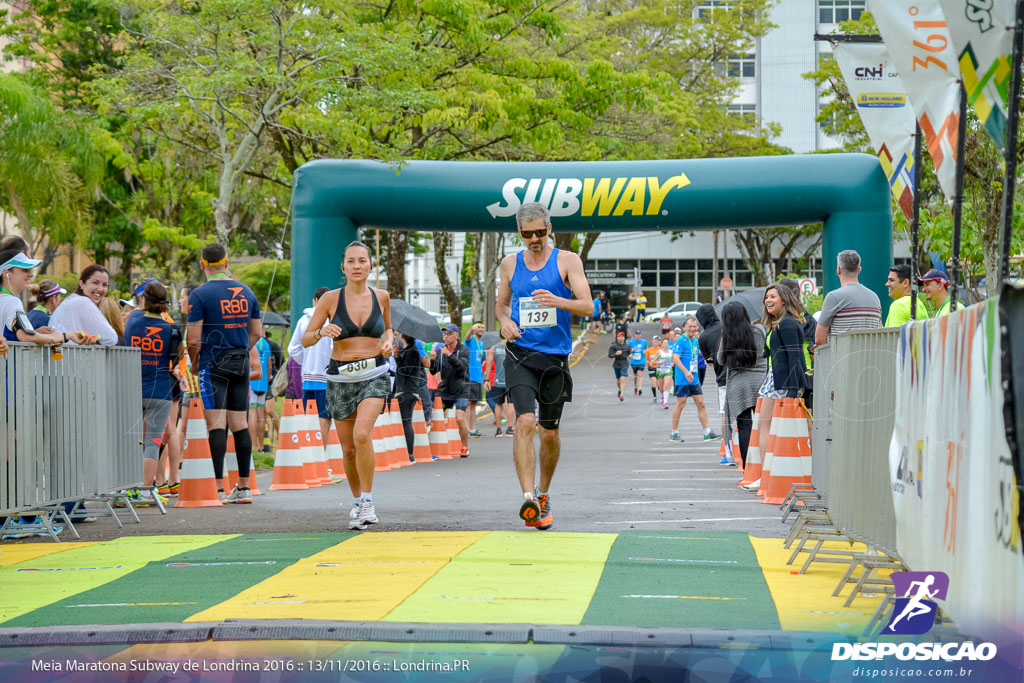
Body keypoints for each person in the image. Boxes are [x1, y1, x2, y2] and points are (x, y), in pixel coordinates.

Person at [496, 201, 593, 531]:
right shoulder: (510, 264)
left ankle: (544, 494)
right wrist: (505, 322)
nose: (535, 239)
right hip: (519, 353)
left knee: (549, 434)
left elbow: (588, 306)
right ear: (519, 233)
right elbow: (501, 305)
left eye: (541, 232)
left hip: (554, 359)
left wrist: (558, 300)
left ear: (548, 229)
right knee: (525, 421)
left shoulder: (567, 261)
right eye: (529, 234)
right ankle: (527, 497)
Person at [301, 240, 394, 530]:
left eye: (362, 261)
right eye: (351, 261)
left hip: (374, 374)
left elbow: (388, 328)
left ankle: (367, 501)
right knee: (348, 448)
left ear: (370, 265)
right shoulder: (330, 299)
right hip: (340, 377)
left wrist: (389, 341)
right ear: (343, 267)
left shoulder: (382, 296)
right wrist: (321, 332)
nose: (357, 266)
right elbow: (306, 338)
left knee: (362, 435)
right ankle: (357, 502)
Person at [186, 243, 263, 504]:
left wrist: (195, 364)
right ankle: (244, 488)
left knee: (216, 424)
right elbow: (256, 333)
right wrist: (241, 350)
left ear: (202, 264)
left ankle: (218, 488)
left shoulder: (199, 294)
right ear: (227, 262)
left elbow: (193, 339)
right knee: (240, 424)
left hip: (213, 364)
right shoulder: (247, 292)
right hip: (240, 362)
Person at [124, 282, 183, 503]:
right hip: (160, 390)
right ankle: (147, 490)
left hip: (132, 388)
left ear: (144, 300)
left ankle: (128, 488)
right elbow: (177, 357)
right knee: (153, 441)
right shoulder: (172, 329)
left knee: (131, 440)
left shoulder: (134, 320)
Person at [717, 301, 768, 468]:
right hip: (761, 382)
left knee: (744, 426)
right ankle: (765, 466)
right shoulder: (759, 330)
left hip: (738, 386)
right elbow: (766, 353)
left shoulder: (727, 336)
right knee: (764, 425)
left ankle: (748, 469)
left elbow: (720, 360)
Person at [0, 250, 72, 347]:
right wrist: (55, 337)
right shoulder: (12, 301)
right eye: (24, 270)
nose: (31, 274)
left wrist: (35, 332)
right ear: (6, 273)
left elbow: (12, 335)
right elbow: (25, 336)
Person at [288, 287, 333, 440]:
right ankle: (322, 455)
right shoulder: (332, 321)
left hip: (307, 376)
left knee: (308, 418)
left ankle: (310, 457)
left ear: (314, 300)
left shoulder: (303, 320)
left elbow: (293, 349)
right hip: (327, 377)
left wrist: (306, 361)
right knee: (324, 419)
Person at [814, 250, 882, 347]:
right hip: (869, 360)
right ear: (859, 270)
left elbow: (819, 339)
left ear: (838, 269)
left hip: (841, 360)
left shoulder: (834, 297)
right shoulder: (875, 298)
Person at [669, 316, 720, 442]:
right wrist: (686, 372)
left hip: (694, 378)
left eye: (694, 326)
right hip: (683, 378)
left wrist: (709, 359)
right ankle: (674, 432)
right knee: (681, 404)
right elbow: (675, 358)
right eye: (690, 326)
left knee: (701, 403)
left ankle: (707, 432)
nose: (692, 329)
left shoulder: (695, 341)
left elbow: (697, 355)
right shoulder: (681, 340)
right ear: (684, 328)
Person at [49, 265, 119, 346]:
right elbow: (111, 338)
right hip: (71, 356)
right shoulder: (83, 302)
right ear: (81, 284)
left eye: (105, 285)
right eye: (95, 283)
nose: (100, 289)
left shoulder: (70, 300)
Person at [696, 304, 730, 461]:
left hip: (722, 377)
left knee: (725, 415)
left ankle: (728, 452)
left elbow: (708, 359)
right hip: (739, 373)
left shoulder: (703, 337)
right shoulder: (727, 326)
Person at [432, 323, 470, 455]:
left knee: (459, 418)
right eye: (444, 334)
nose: (446, 336)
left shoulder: (463, 350)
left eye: (449, 334)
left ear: (456, 335)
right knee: (436, 416)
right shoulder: (440, 351)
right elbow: (433, 371)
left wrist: (449, 355)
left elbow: (461, 367)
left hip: (461, 389)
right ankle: (437, 447)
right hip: (444, 389)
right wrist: (432, 361)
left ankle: (464, 446)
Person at [394, 333, 433, 461]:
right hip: (408, 389)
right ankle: (408, 452)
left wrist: (397, 357)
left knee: (406, 421)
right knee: (406, 421)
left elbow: (407, 371)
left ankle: (409, 453)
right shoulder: (409, 350)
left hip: (407, 390)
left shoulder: (412, 350)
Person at [483, 338, 514, 437]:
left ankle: (499, 430)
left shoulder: (494, 348)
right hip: (510, 380)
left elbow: (489, 364)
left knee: (498, 405)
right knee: (510, 404)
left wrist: (486, 380)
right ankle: (509, 429)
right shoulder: (513, 347)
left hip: (497, 381)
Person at [249, 331, 272, 455]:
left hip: (252, 381)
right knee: (261, 414)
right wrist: (267, 381)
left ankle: (253, 445)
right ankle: (261, 446)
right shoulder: (266, 344)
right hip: (262, 382)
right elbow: (269, 365)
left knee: (252, 413)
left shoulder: (251, 342)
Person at [465, 322, 485, 438]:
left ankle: (472, 428)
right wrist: (471, 330)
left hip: (477, 378)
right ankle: (466, 428)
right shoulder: (471, 340)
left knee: (473, 404)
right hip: (470, 376)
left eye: (482, 327)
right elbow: (466, 337)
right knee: (468, 404)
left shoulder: (481, 343)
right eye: (479, 327)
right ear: (474, 328)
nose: (481, 329)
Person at [608, 330, 630, 402]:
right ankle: (620, 389)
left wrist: (630, 355)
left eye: (622, 336)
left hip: (624, 363)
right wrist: (615, 354)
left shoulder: (627, 345)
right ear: (617, 338)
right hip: (617, 363)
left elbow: (629, 353)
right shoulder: (614, 346)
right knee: (618, 380)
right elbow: (610, 355)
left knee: (623, 379)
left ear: (624, 338)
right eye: (619, 336)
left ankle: (622, 395)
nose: (621, 338)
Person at [627, 328, 648, 396]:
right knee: (635, 376)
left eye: (639, 334)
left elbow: (647, 350)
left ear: (641, 335)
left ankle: (640, 388)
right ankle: (635, 386)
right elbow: (627, 351)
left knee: (640, 374)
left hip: (641, 361)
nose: (638, 336)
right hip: (633, 361)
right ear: (635, 335)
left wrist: (646, 352)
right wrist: (630, 353)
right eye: (636, 334)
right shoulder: (631, 342)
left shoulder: (644, 342)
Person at [655, 337, 674, 408]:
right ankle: (663, 395)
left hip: (668, 370)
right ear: (662, 344)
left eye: (667, 343)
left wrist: (672, 364)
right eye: (664, 343)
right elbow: (654, 361)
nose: (666, 344)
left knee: (666, 385)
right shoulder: (659, 352)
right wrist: (660, 362)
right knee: (661, 388)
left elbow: (673, 360)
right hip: (660, 371)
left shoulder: (671, 352)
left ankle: (665, 402)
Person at [645, 335, 661, 402]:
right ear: (652, 341)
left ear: (659, 342)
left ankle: (662, 395)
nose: (656, 342)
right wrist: (649, 363)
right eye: (655, 340)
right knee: (653, 382)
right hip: (652, 368)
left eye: (657, 341)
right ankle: (654, 396)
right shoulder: (649, 350)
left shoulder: (661, 350)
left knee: (659, 384)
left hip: (660, 368)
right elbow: (647, 360)